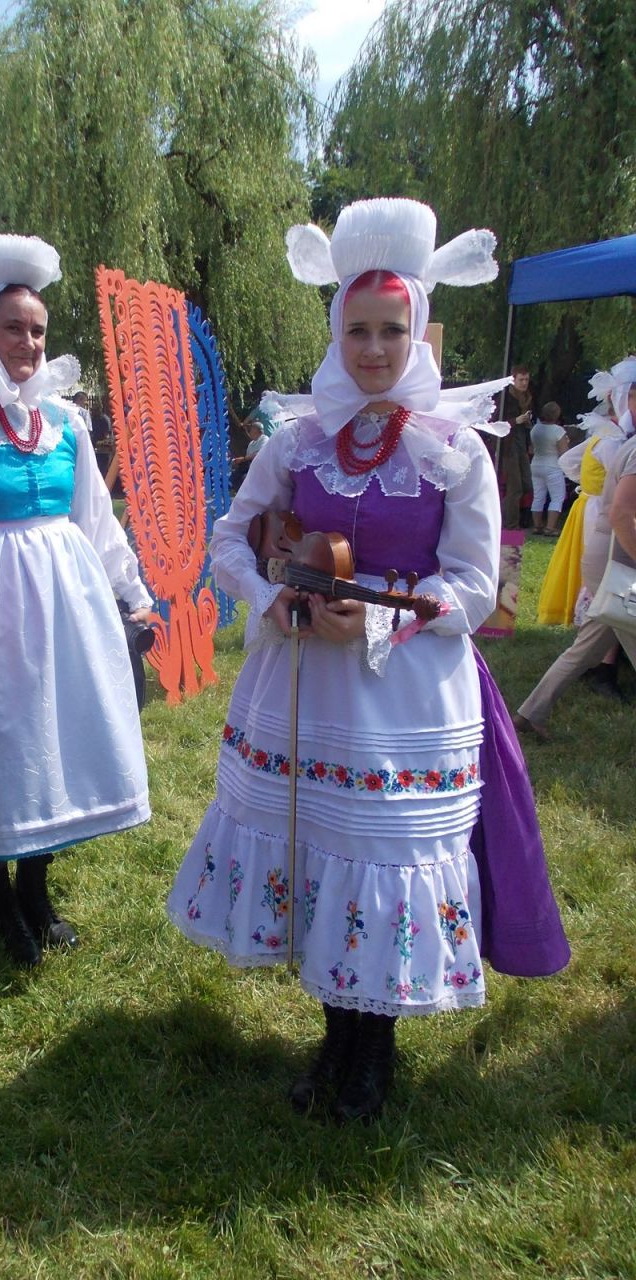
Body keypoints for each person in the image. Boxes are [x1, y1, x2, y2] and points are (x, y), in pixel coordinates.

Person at [167, 198, 569, 1124]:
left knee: (381, 859)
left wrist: (382, 622)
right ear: (336, 330)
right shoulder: (299, 438)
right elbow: (229, 537)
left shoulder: (453, 449)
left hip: (406, 688)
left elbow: (475, 585)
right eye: (358, 329)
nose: (375, 348)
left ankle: (372, 1054)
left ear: (420, 329)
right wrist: (276, 598)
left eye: (393, 329)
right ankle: (335, 1038)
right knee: (320, 851)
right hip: (306, 679)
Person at [0, 226, 152, 967]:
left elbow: (96, 522)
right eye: (13, 327)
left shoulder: (67, 425)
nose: (28, 343)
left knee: (51, 741)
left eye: (39, 330)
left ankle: (38, 890)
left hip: (63, 613)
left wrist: (133, 594)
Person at [515, 365, 636, 738]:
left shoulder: (623, 443)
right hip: (619, 555)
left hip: (609, 551)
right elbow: (621, 513)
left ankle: (531, 712)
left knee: (590, 642)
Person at [499, 366, 534, 529]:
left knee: (527, 484)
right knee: (515, 488)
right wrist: (515, 421)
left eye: (526, 379)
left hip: (521, 445)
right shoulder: (505, 397)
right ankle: (511, 524)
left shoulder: (526, 397)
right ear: (513, 380)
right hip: (508, 446)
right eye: (521, 379)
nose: (524, 383)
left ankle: (506, 517)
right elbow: (495, 423)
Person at [529, 401, 569, 535]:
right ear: (557, 415)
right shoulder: (558, 431)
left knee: (538, 496)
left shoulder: (535, 429)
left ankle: (537, 526)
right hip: (553, 466)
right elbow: (564, 452)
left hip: (536, 464)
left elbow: (531, 448)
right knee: (557, 497)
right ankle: (550, 527)